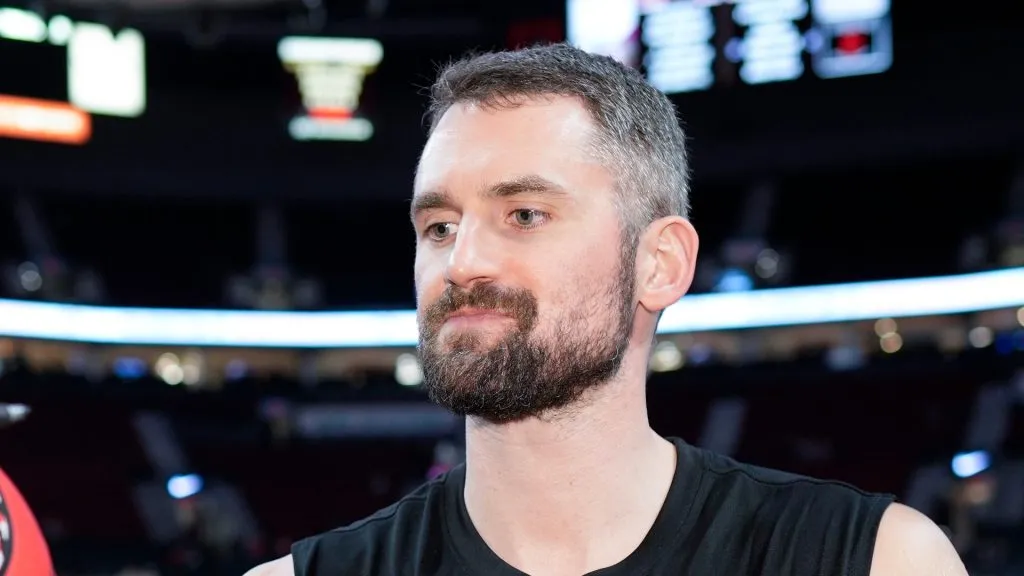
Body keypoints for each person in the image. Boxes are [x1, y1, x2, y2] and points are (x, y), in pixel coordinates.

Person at [246, 43, 967, 576]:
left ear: (661, 264)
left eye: (524, 214)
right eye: (439, 226)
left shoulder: (873, 560)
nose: (461, 261)